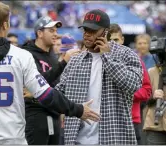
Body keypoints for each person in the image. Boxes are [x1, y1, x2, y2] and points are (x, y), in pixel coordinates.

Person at [0, 2, 100, 145]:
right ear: (6, 25)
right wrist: (77, 110)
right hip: (12, 139)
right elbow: (46, 95)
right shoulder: (22, 56)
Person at [55, 9, 143, 145]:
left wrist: (107, 56)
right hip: (77, 139)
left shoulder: (127, 54)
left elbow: (133, 85)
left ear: (105, 32)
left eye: (92, 31)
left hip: (114, 138)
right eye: (85, 30)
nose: (87, 34)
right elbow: (59, 93)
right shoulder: (75, 60)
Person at [21, 16, 80, 145]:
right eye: (51, 31)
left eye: (56, 31)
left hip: (54, 114)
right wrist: (63, 62)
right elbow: (38, 83)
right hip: (36, 116)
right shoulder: (27, 54)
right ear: (40, 33)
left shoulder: (52, 55)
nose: (56, 34)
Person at [109, 23, 152, 145]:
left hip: (131, 119)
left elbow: (147, 90)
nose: (113, 44)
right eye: (110, 40)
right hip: (106, 120)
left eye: (116, 40)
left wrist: (128, 94)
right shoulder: (100, 61)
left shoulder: (135, 60)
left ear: (122, 40)